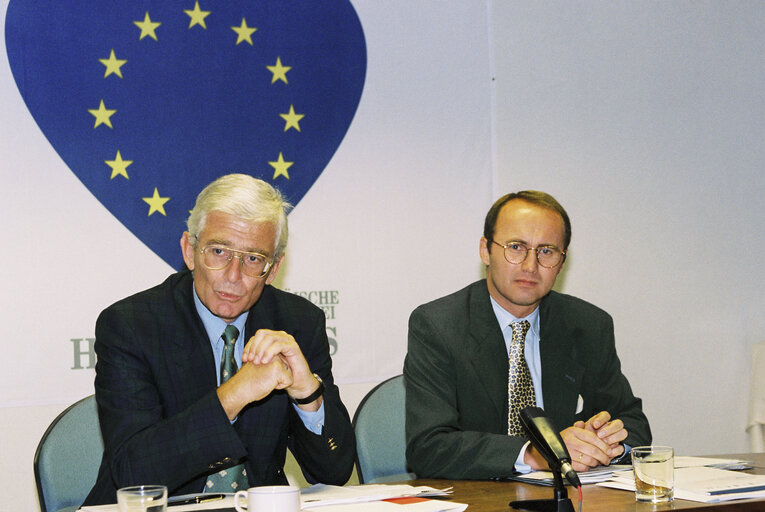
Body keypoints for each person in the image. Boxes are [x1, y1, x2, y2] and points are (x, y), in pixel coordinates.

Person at [84, 174, 355, 505]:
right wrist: (234, 395)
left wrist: (306, 393)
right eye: (218, 251)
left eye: (253, 258)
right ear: (190, 250)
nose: (233, 275)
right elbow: (135, 472)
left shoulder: (297, 323)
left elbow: (334, 472)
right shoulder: (131, 325)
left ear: (273, 269)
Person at [404, 190, 651, 479]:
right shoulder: (438, 325)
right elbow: (428, 447)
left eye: (546, 251)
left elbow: (633, 422)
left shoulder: (587, 325)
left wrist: (607, 443)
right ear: (486, 250)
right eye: (516, 247)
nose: (530, 266)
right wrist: (534, 453)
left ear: (561, 261)